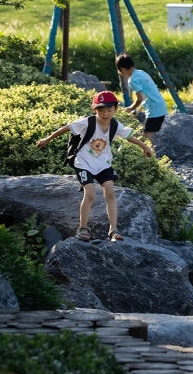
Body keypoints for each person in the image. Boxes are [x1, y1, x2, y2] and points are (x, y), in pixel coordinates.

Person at [36, 90, 153, 242]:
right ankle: (83, 228)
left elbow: (129, 137)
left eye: (109, 110)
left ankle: (113, 230)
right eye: (101, 110)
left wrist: (144, 147)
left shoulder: (115, 126)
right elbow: (67, 128)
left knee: (110, 192)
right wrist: (47, 139)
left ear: (115, 110)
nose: (105, 114)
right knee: (90, 193)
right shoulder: (88, 122)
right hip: (83, 163)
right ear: (95, 110)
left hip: (103, 164)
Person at [116, 53, 168, 147]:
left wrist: (131, 108)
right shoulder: (141, 73)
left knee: (146, 138)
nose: (120, 73)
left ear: (122, 69)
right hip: (160, 106)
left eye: (119, 70)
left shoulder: (132, 80)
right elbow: (146, 96)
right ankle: (151, 158)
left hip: (154, 109)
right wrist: (138, 111)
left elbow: (139, 99)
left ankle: (151, 160)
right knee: (146, 136)